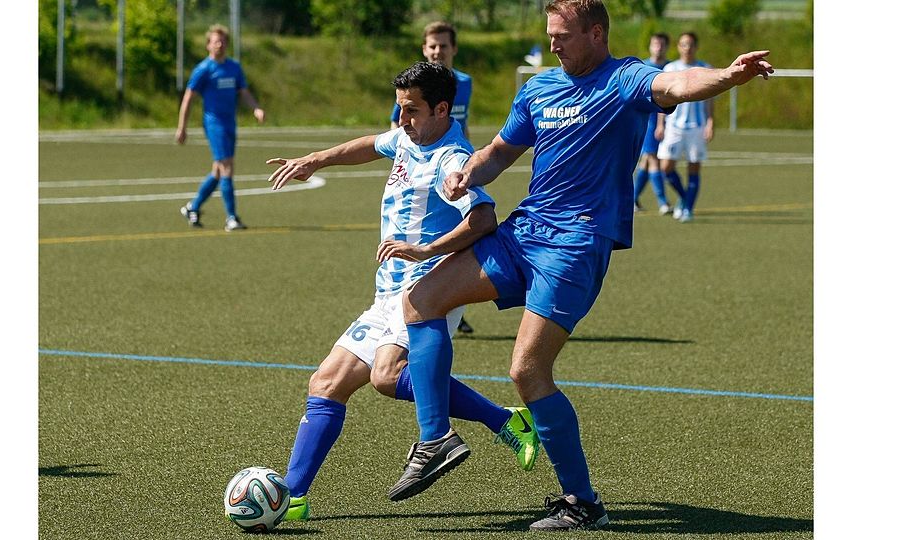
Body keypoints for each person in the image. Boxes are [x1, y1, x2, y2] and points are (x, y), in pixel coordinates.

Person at [387, 0, 773, 531]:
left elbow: (677, 86)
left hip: (575, 247)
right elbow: (501, 150)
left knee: (526, 371)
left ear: (595, 33)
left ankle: (581, 501)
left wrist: (727, 76)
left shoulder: (626, 79)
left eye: (563, 34)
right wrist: (469, 174)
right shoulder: (539, 88)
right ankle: (436, 439)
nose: (553, 44)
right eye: (550, 34)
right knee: (420, 301)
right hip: (524, 232)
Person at [266, 61, 541, 521]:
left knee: (387, 376)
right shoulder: (408, 138)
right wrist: (313, 160)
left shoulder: (451, 159)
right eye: (399, 110)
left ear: (442, 109)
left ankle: (490, 424)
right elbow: (371, 144)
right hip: (385, 296)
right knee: (326, 383)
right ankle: (291, 497)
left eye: (411, 111)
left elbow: (484, 219)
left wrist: (425, 249)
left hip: (425, 293)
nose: (401, 121)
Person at [389, 21, 478, 334]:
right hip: (421, 165)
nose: (437, 51)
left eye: (443, 45)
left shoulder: (464, 82)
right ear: (424, 49)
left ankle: (450, 299)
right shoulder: (415, 86)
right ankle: (420, 297)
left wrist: (467, 160)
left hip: (452, 164)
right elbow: (397, 129)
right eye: (432, 46)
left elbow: (460, 124)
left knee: (460, 229)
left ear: (453, 48)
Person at [176, 24, 264, 231]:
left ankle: (193, 206)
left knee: (218, 171)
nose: (220, 45)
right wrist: (182, 127)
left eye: (223, 41)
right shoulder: (203, 69)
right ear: (208, 45)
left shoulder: (234, 67)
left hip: (230, 124)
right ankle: (232, 218)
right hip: (214, 123)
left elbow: (244, 92)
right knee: (227, 167)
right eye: (216, 41)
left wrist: (256, 108)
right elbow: (188, 98)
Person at [656, 32, 713, 223]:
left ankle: (688, 208)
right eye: (683, 44)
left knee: (694, 169)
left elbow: (710, 100)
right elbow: (661, 99)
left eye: (690, 44)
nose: (686, 48)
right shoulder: (670, 68)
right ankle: (684, 197)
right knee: (666, 168)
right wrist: (660, 124)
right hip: (674, 127)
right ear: (678, 47)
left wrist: (710, 122)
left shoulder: (705, 68)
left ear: (696, 47)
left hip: (697, 127)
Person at [631, 32, 673, 215]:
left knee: (646, 162)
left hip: (667, 120)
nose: (658, 47)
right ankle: (663, 203)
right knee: (653, 159)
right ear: (650, 46)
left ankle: (631, 200)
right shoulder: (644, 66)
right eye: (655, 44)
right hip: (649, 122)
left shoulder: (670, 67)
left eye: (662, 44)